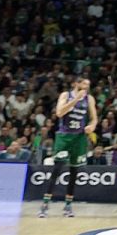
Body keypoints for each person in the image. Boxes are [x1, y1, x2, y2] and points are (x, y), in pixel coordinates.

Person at [40, 75, 98, 218]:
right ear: (76, 84)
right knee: (57, 169)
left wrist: (92, 125)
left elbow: (94, 117)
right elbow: (60, 113)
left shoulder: (89, 99)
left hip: (79, 138)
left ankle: (68, 205)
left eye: (88, 85)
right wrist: (76, 99)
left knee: (74, 172)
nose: (86, 88)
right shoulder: (66, 95)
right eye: (84, 84)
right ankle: (45, 204)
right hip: (64, 136)